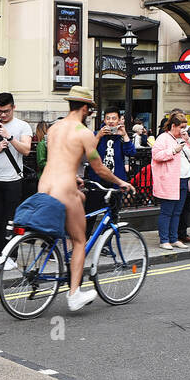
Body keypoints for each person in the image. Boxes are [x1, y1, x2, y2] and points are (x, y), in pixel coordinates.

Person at [39, 85, 133, 311]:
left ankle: (58, 265)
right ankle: (74, 295)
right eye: (90, 110)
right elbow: (99, 168)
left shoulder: (54, 128)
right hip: (64, 188)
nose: (90, 114)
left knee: (74, 210)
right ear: (84, 108)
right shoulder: (84, 133)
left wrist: (76, 178)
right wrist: (121, 182)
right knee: (80, 241)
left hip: (45, 185)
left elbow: (58, 161)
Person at [0, 92, 33, 269]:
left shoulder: (23, 126)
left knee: (11, 220)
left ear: (13, 107)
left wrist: (10, 138)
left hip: (14, 180)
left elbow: (26, 150)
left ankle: (11, 257)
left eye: (6, 111)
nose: (2, 115)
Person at [151, 113, 190, 250]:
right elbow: (156, 155)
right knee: (167, 211)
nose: (184, 130)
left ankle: (174, 238)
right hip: (170, 181)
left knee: (177, 211)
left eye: (186, 127)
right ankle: (164, 239)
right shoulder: (163, 138)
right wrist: (173, 150)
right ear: (173, 126)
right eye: (181, 127)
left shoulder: (184, 138)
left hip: (184, 179)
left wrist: (188, 139)